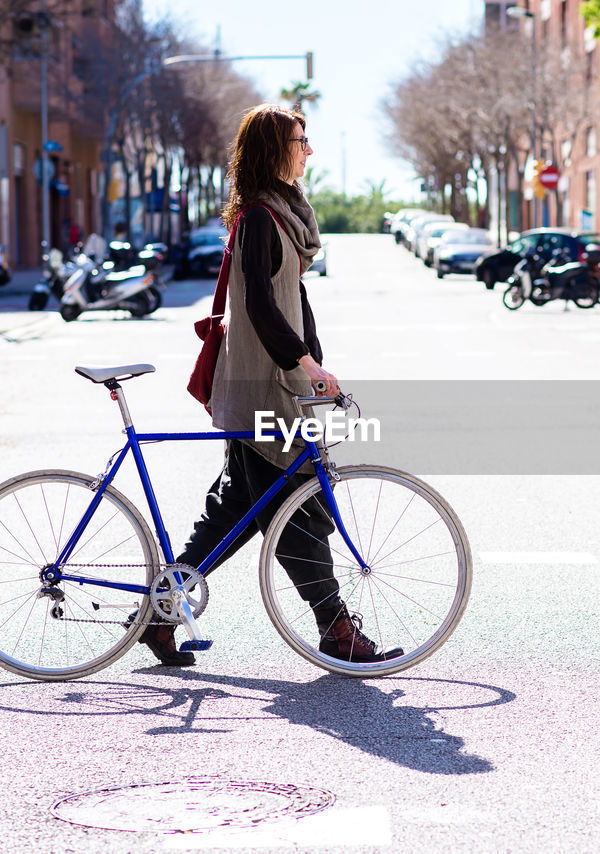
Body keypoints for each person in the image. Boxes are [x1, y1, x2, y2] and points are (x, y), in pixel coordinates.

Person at [138, 104, 402, 667]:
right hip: (262, 386)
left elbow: (291, 298)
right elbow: (258, 301)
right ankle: (336, 632)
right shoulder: (260, 216)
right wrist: (304, 362)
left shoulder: (279, 213)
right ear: (273, 149)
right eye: (300, 140)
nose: (309, 150)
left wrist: (313, 364)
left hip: (270, 381)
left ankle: (160, 614)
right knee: (294, 510)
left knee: (239, 507)